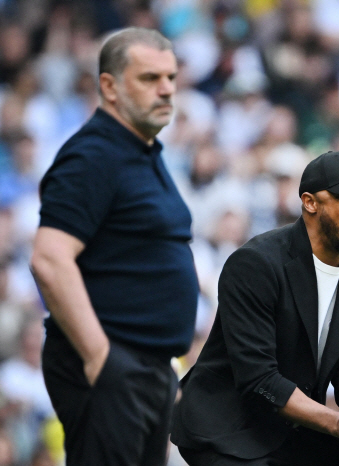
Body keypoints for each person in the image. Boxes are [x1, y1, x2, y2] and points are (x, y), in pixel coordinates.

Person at [29, 28, 198, 465]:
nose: (166, 89)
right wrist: (100, 358)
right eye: (149, 78)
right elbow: (49, 258)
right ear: (109, 86)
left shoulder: (142, 150)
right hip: (114, 363)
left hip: (149, 368)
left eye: (171, 77)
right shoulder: (94, 155)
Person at [171, 150, 339, 465]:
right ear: (310, 202)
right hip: (227, 428)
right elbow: (258, 379)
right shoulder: (255, 263)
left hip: (297, 430)